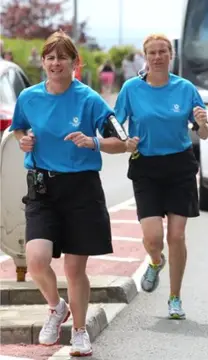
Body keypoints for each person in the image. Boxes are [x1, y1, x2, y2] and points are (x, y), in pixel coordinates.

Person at [9, 30, 127, 357]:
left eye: (62, 57)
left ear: (76, 63)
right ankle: (55, 307)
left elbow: (124, 142)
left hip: (81, 189)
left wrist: (94, 142)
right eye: (50, 57)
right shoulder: (29, 98)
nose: (56, 63)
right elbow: (19, 129)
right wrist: (24, 140)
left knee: (75, 270)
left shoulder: (89, 100)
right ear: (43, 62)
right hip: (43, 187)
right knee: (36, 260)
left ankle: (79, 331)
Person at [114, 33, 208, 319]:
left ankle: (175, 297)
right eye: (152, 53)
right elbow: (115, 125)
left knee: (177, 236)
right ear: (145, 57)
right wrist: (124, 142)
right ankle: (155, 262)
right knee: (153, 237)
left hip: (180, 166)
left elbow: (203, 133)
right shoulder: (131, 89)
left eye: (162, 52)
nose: (157, 57)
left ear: (171, 55)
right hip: (145, 167)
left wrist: (204, 124)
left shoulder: (185, 89)